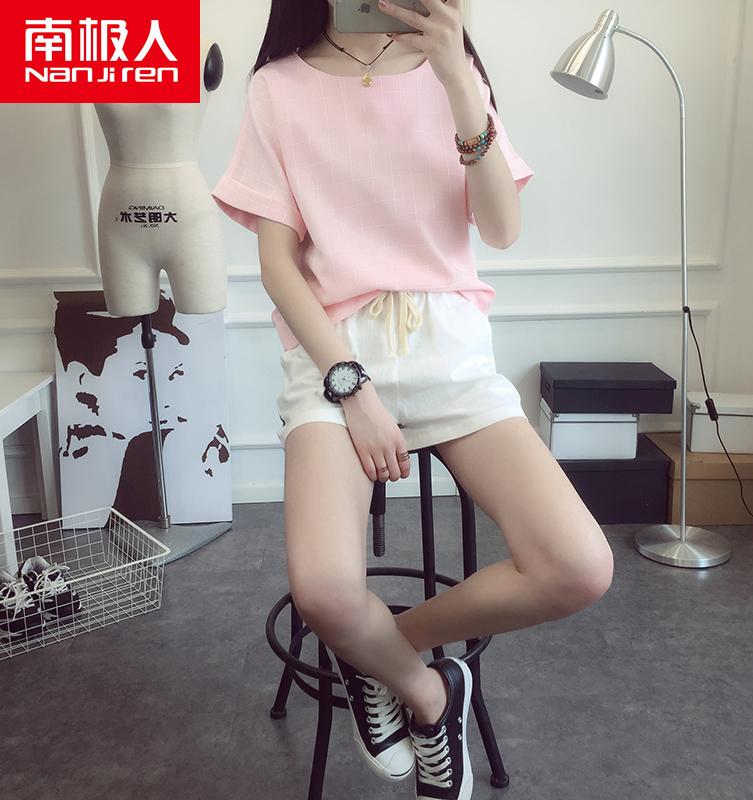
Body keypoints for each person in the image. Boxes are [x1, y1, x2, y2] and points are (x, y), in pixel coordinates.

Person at [211, 1, 614, 797]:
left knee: (579, 567)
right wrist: (352, 388)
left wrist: (458, 80)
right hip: (336, 356)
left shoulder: (453, 69)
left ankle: (379, 653)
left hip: (450, 352)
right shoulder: (277, 88)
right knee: (324, 591)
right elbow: (279, 268)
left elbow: (501, 228)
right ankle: (429, 694)